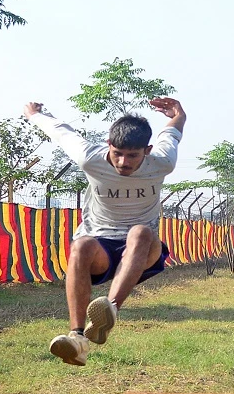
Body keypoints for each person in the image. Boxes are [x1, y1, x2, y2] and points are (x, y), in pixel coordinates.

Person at [22, 98, 185, 366]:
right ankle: (77, 338)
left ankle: (109, 310)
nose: (123, 162)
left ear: (147, 150)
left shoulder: (162, 162)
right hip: (101, 247)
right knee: (80, 245)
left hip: (143, 251)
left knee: (140, 232)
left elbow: (173, 132)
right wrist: (35, 115)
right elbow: (62, 132)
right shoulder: (90, 158)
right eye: (117, 153)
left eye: (133, 155)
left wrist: (178, 113)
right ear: (108, 145)